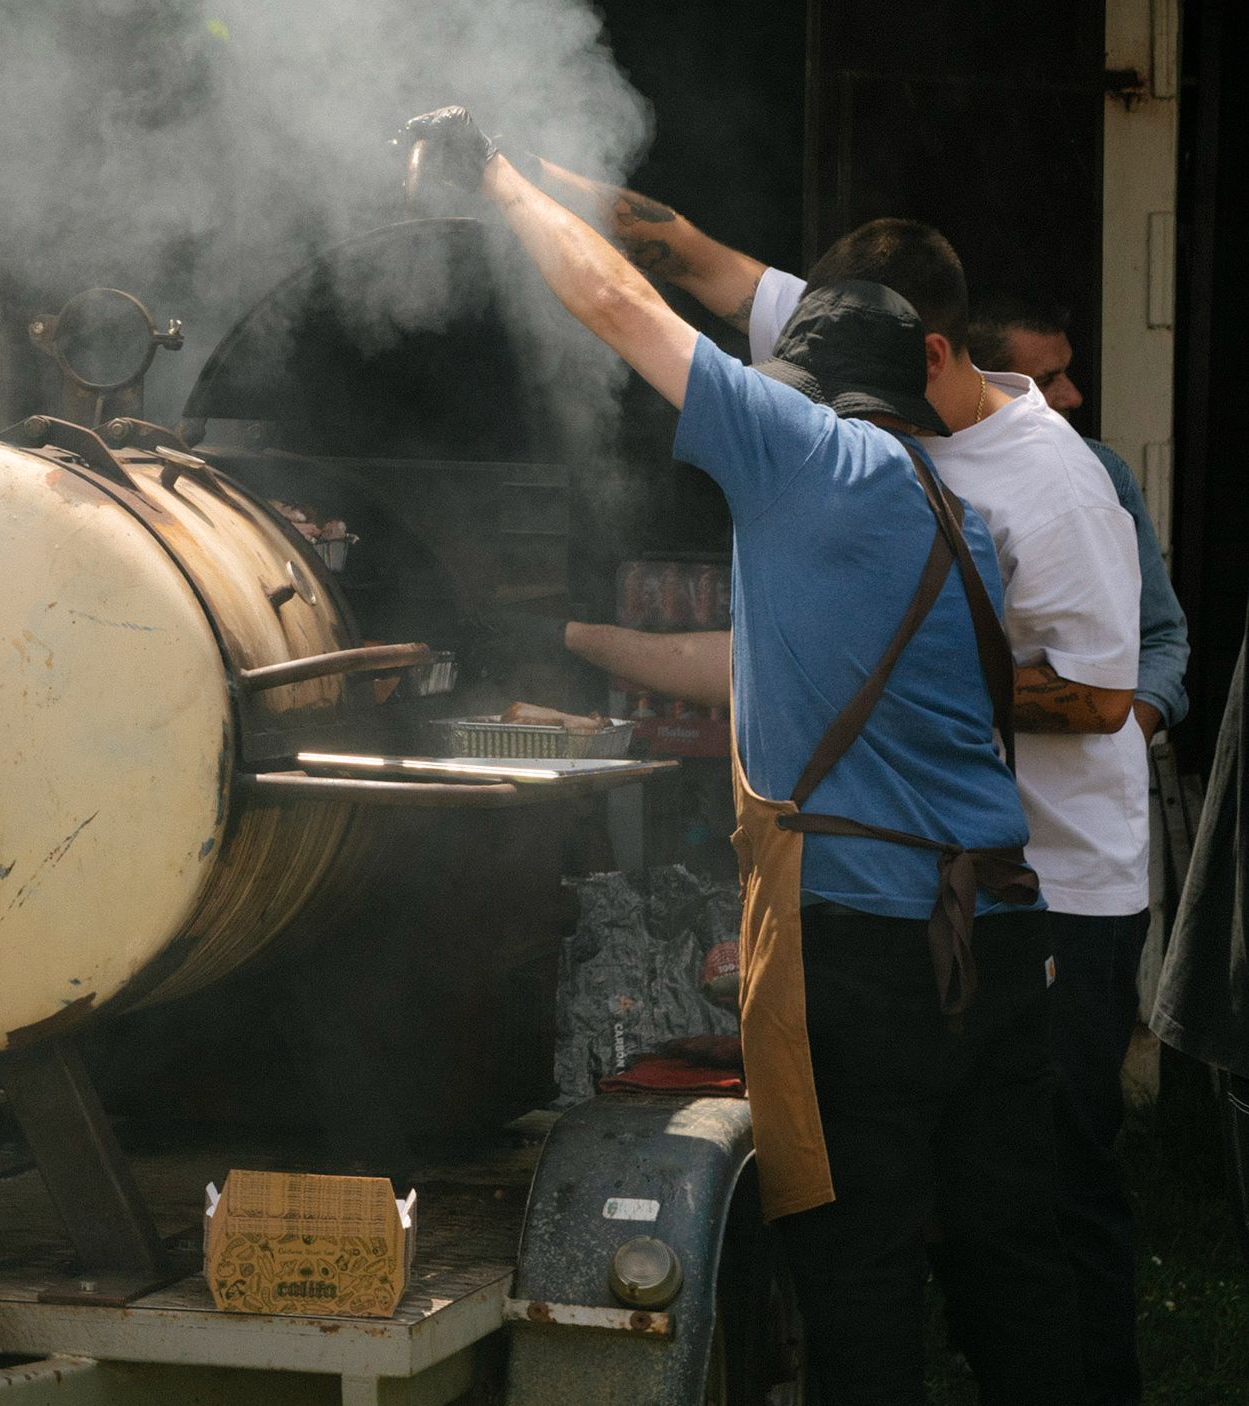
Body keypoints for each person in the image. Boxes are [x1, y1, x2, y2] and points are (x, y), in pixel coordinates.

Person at [401, 105, 1079, 1404]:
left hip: (863, 956)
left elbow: (613, 299)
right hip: (997, 941)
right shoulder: (957, 517)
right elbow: (757, 663)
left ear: (814, 394)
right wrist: (576, 635)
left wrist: (497, 177)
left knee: (859, 1277)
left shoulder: (805, 461)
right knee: (1013, 1267)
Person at [968, 294, 1190, 741]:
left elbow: (1162, 636)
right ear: (981, 380)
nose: (1073, 395)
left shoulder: (1103, 473)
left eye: (1065, 372)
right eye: (1046, 381)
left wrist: (1127, 742)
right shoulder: (922, 470)